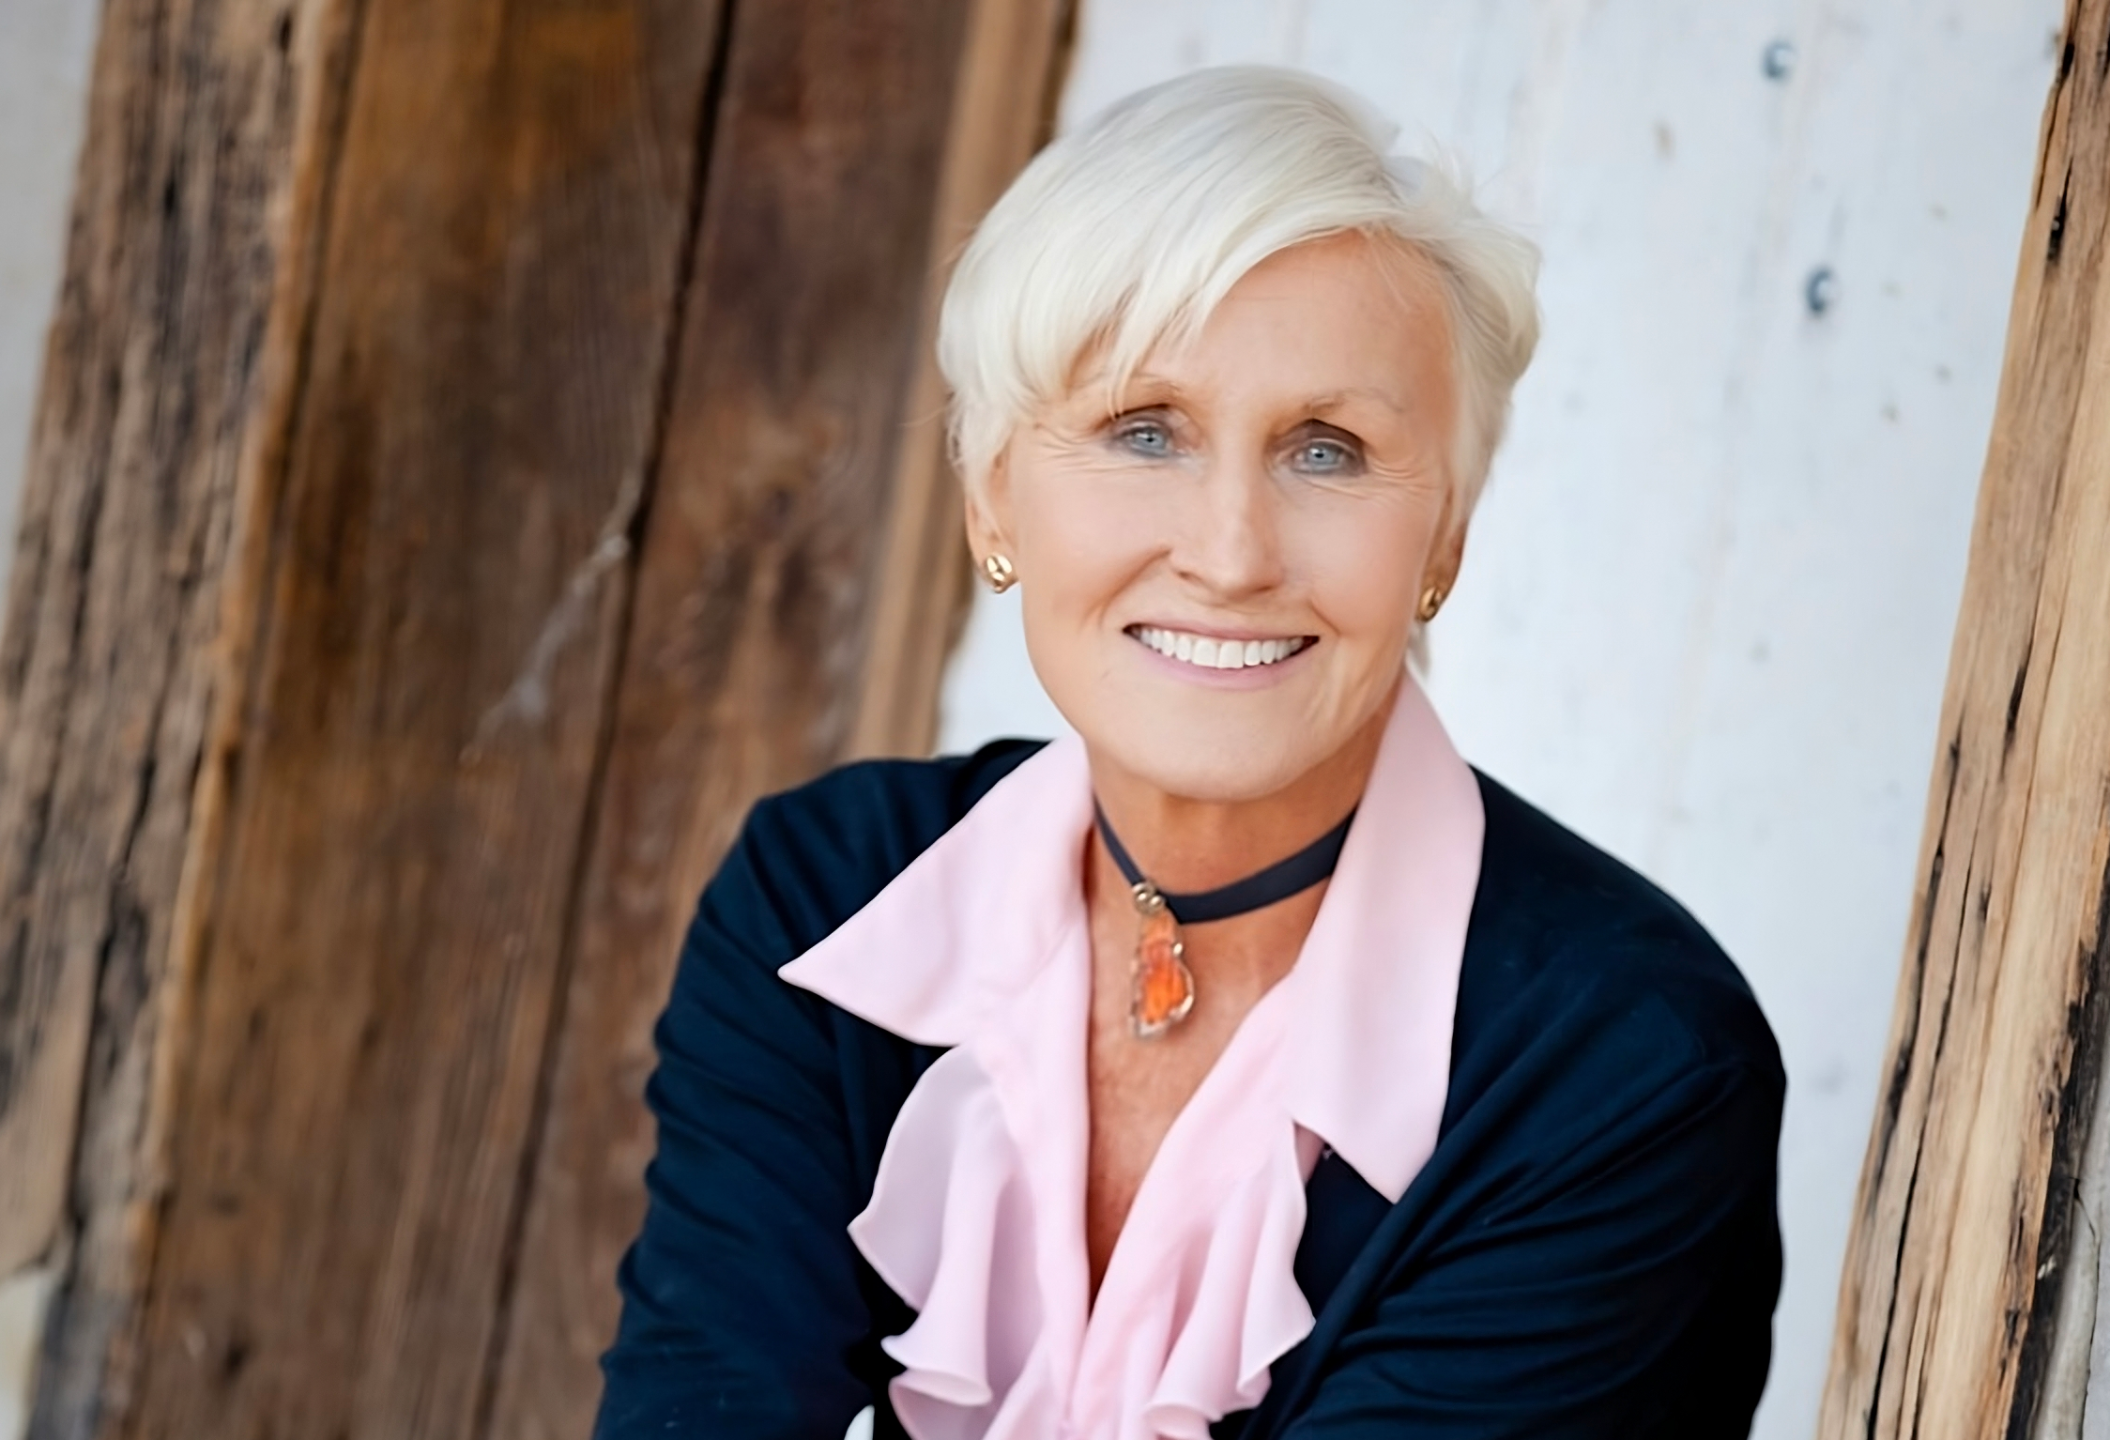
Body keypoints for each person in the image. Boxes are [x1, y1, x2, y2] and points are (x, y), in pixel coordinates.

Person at [594, 66, 1783, 1440]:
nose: (1228, 554)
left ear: (1444, 541)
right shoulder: (829, 907)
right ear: (992, 498)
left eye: (1326, 451)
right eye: (1143, 431)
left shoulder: (1626, 1069)